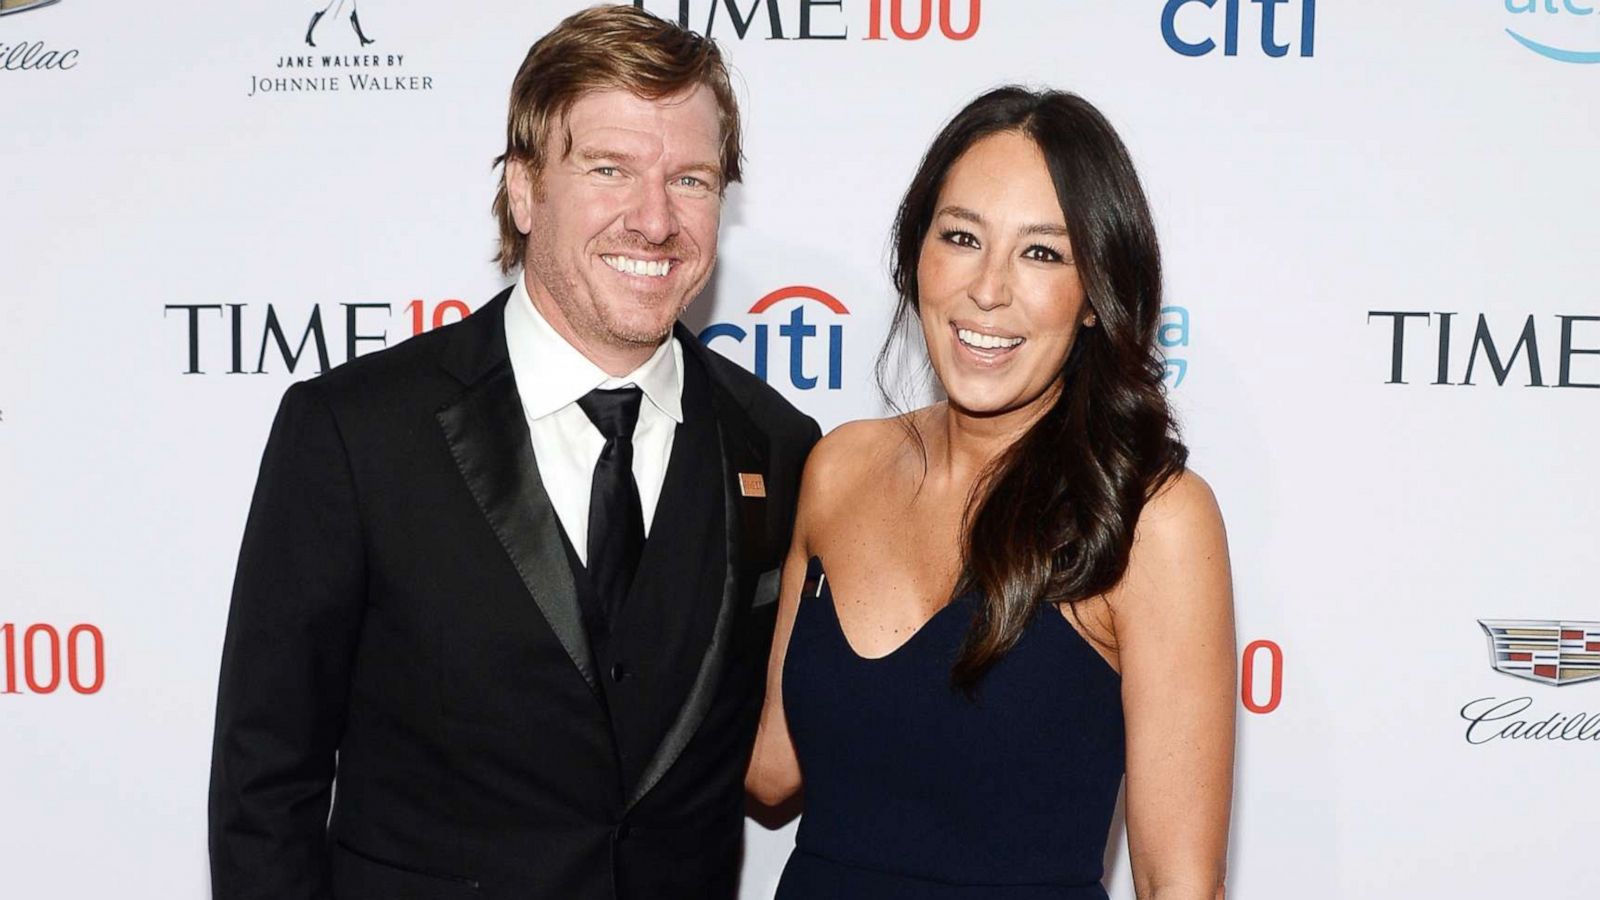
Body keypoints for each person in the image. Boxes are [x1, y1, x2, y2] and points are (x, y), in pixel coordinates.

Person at [209, 7, 819, 900]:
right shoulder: (354, 432)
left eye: (690, 178)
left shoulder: (775, 442)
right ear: (527, 190)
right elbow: (266, 782)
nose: (655, 220)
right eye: (610, 169)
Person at [746, 86, 1236, 900]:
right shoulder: (839, 467)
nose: (988, 289)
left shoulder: (1153, 519)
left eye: (1042, 253)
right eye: (962, 237)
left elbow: (1178, 883)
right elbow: (771, 766)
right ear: (918, 254)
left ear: (1094, 297)